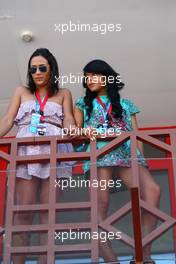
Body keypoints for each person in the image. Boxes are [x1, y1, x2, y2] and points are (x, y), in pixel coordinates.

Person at [74, 59, 160, 264]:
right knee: (100, 205)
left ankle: (143, 253)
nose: (89, 80)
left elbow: (136, 136)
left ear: (107, 77)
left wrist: (141, 162)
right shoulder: (81, 103)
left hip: (126, 154)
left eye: (94, 75)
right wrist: (84, 131)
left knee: (153, 191)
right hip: (100, 154)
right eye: (87, 77)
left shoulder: (126, 104)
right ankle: (110, 259)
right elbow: (76, 132)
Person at [0, 48, 76, 264]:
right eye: (33, 69)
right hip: (26, 151)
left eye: (42, 67)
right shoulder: (21, 91)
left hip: (55, 151)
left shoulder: (64, 93)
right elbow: (7, 120)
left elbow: (68, 119)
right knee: (23, 212)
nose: (38, 72)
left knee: (48, 215)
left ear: (52, 69)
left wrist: (73, 129)